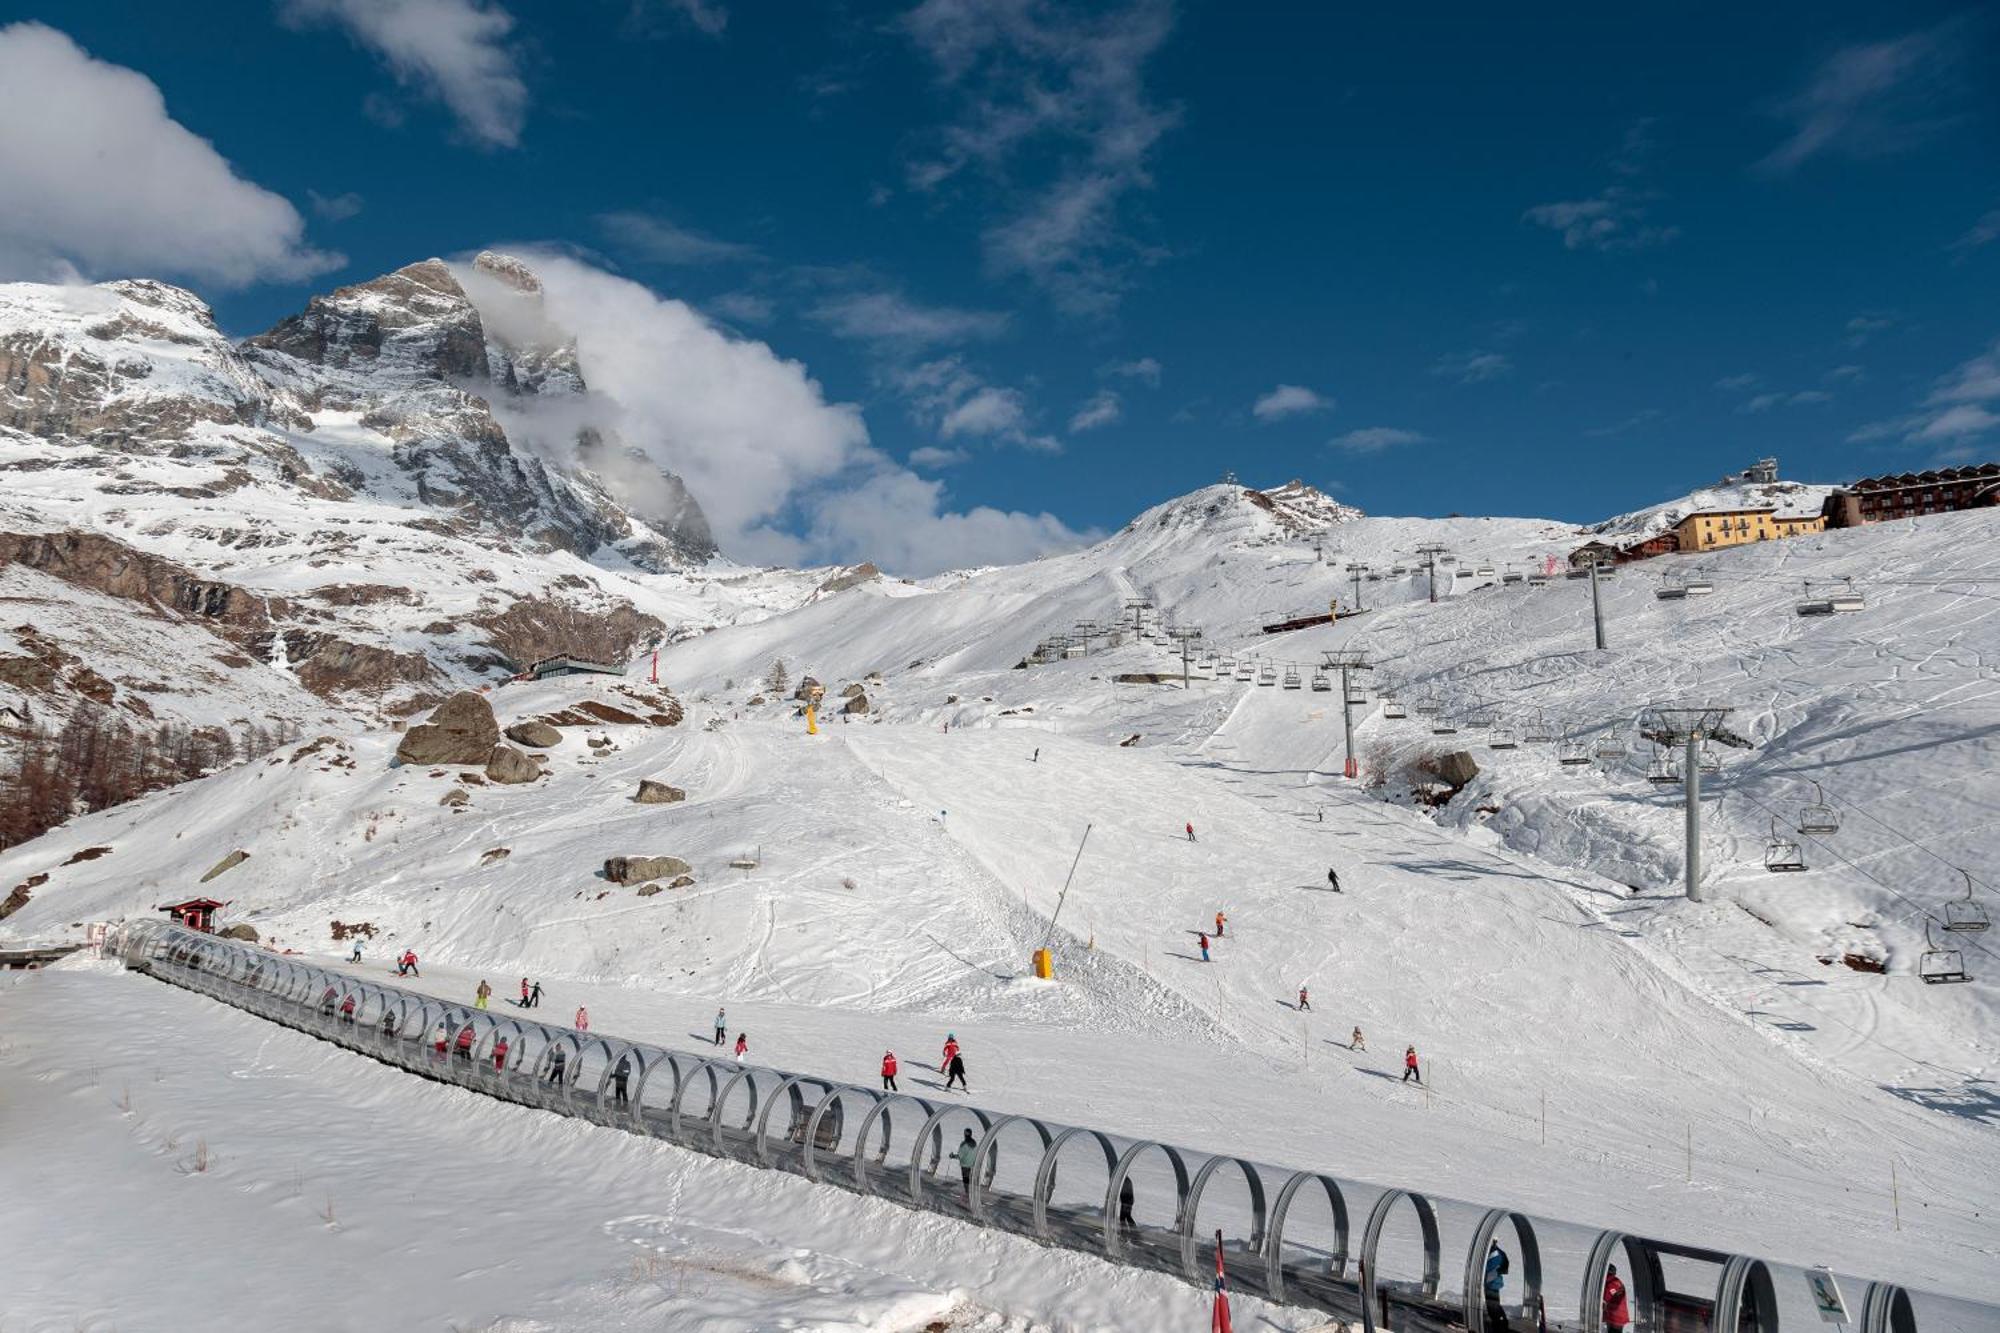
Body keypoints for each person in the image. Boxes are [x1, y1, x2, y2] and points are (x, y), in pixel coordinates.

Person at [1484, 1242, 1509, 1329]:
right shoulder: (1500, 1253)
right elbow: (1505, 1268)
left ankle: (1500, 1326)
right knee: (1494, 1305)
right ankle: (1501, 1324)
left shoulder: (1490, 1253)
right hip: (1494, 1284)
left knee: (1492, 1307)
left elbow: (1487, 1269)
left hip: (1490, 1284)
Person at [1602, 1265, 1630, 1333]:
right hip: (1619, 1316)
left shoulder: (1610, 1283)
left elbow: (1606, 1298)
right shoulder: (1617, 1281)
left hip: (1615, 1317)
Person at [955, 1128, 978, 1195]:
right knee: (969, 1179)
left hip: (965, 1165)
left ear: (965, 1134)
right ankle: (970, 1193)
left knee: (965, 1180)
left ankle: (967, 1194)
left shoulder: (964, 1144)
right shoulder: (974, 1143)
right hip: (971, 1164)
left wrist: (953, 1156)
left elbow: (960, 1156)